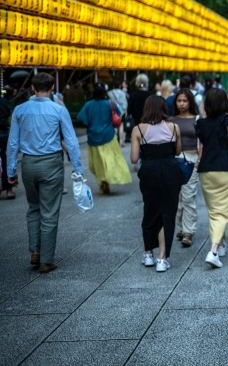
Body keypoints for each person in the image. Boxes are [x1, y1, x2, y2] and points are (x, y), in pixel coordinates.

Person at [6, 73, 83, 273]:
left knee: (33, 208)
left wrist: (11, 170)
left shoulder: (19, 110)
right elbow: (72, 141)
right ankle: (46, 260)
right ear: (51, 88)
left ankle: (35, 251)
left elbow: (13, 143)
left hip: (29, 164)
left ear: (32, 87)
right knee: (49, 211)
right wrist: (78, 168)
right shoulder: (59, 110)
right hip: (51, 163)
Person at [130, 96, 183, 272]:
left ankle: (147, 254)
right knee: (167, 213)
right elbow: (177, 151)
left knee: (150, 211)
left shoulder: (138, 129)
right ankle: (162, 257)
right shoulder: (174, 127)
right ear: (163, 108)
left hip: (150, 171)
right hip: (170, 170)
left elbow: (134, 158)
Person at [196, 88, 228, 267]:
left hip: (206, 171)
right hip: (225, 169)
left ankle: (222, 244)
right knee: (222, 212)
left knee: (213, 210)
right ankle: (214, 250)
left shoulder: (201, 123)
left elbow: (201, 147)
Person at [77, 83, 132, 194]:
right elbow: (120, 115)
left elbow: (81, 117)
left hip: (93, 137)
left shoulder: (88, 104)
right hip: (109, 135)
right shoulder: (109, 103)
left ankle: (102, 182)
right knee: (110, 160)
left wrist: (90, 123)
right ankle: (109, 179)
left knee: (98, 163)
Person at [171, 89, 200, 247]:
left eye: (185, 100)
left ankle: (188, 232)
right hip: (175, 159)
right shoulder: (171, 119)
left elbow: (202, 141)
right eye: (179, 101)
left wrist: (199, 160)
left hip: (191, 159)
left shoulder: (197, 119)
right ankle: (182, 227)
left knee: (188, 196)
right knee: (177, 197)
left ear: (190, 102)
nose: (181, 103)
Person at [127, 74, 153, 142]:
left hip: (136, 122)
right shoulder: (150, 95)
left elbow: (129, 110)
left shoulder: (132, 95)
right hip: (148, 122)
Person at [0, 93, 13, 199]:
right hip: (3, 132)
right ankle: (9, 189)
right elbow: (9, 113)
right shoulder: (3, 101)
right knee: (6, 160)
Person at [109, 81, 128, 147]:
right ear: (119, 86)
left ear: (113, 86)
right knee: (121, 125)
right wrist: (125, 111)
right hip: (121, 111)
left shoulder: (110, 93)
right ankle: (121, 141)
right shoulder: (123, 93)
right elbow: (125, 103)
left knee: (113, 126)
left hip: (113, 111)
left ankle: (113, 141)